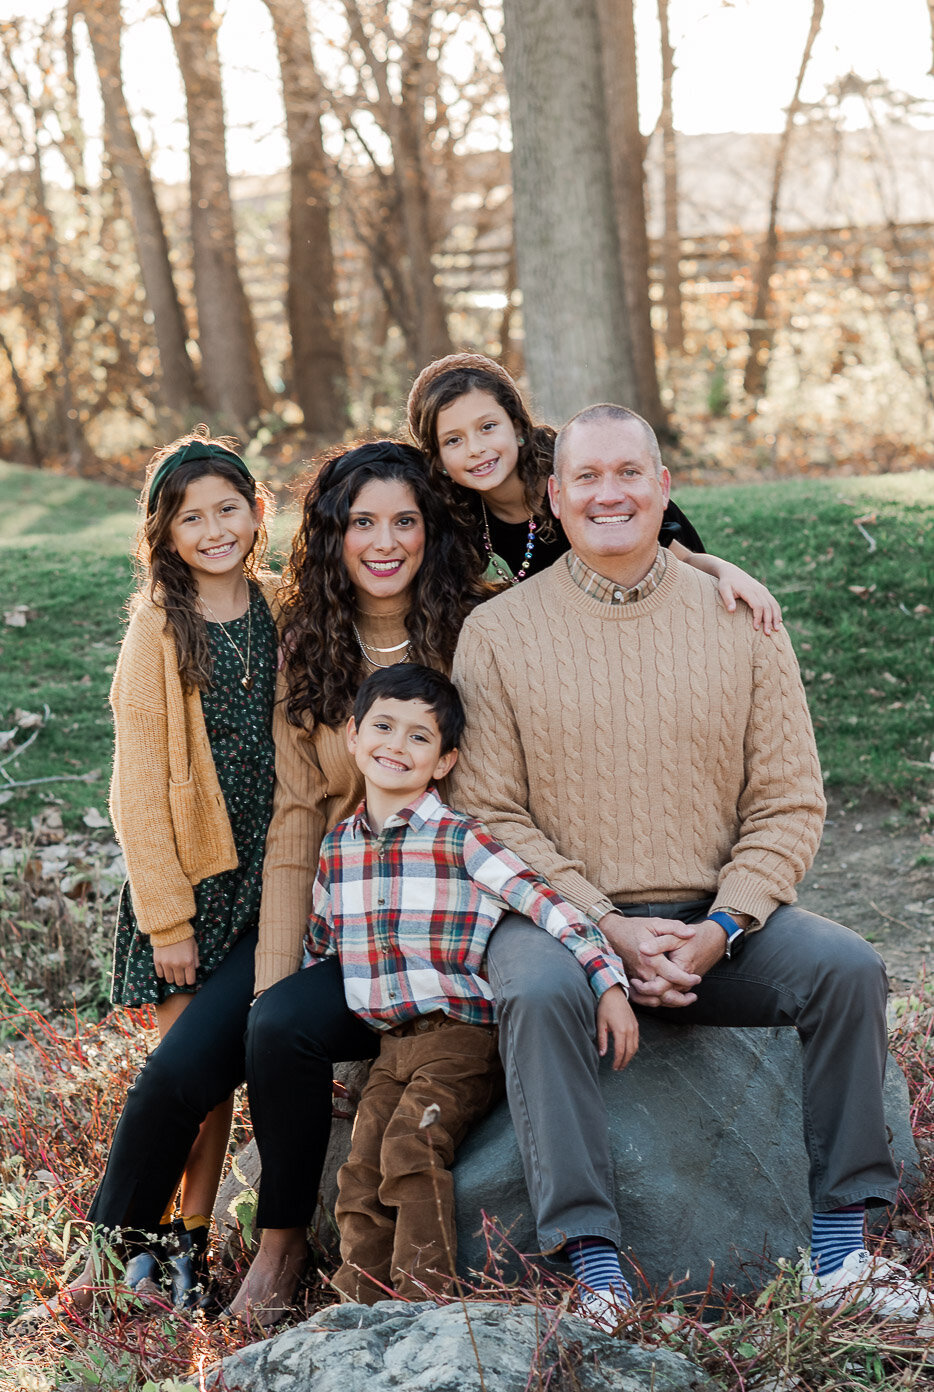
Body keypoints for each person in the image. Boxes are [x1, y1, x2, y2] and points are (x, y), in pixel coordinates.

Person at [448, 402, 930, 1322]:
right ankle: (595, 1275)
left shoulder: (741, 617)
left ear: (664, 487)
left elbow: (789, 804)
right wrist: (609, 929)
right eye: (586, 476)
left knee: (848, 969)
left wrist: (720, 928)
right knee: (541, 991)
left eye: (629, 472)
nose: (609, 492)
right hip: (560, 924)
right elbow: (490, 812)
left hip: (721, 922)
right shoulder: (501, 633)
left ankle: (840, 1257)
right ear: (553, 496)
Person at [227, 442, 487, 1325]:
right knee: (281, 1024)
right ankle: (282, 1242)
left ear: (432, 530)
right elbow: (297, 816)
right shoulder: (311, 645)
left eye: (405, 521)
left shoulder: (480, 627)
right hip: (366, 927)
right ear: (333, 533)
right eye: (362, 521)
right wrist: (275, 976)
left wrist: (702, 561)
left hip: (462, 925)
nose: (385, 541)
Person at [307, 664, 634, 1306]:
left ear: (445, 758)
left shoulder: (461, 839)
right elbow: (322, 945)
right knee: (359, 1172)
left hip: (458, 1040)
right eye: (382, 727)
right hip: (389, 1048)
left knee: (411, 1146)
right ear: (352, 737)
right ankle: (362, 1307)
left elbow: (551, 905)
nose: (396, 746)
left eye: (419, 738)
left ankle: (426, 1304)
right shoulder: (337, 849)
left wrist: (608, 982)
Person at [43, 429, 279, 1316]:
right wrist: (167, 919)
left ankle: (192, 1239)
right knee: (183, 1077)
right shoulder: (158, 628)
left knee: (221, 1080)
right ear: (166, 531)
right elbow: (135, 787)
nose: (214, 529)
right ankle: (131, 1251)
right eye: (193, 517)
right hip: (188, 888)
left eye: (228, 510)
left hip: (267, 882)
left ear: (257, 514)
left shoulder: (277, 606)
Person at [406, 352, 782, 631]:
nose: (475, 448)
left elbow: (677, 557)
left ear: (518, 426)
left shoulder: (586, 484)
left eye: (487, 427)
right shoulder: (456, 520)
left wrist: (725, 570)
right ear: (438, 459)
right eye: (453, 440)